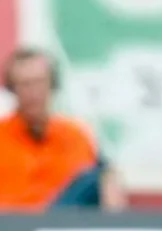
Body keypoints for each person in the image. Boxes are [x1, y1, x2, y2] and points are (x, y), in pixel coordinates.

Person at [0, 47, 127, 211]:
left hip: (61, 227)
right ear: (12, 89)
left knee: (100, 177)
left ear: (52, 85)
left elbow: (106, 181)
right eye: (25, 84)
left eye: (39, 82)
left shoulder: (76, 136)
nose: (33, 92)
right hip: (11, 227)